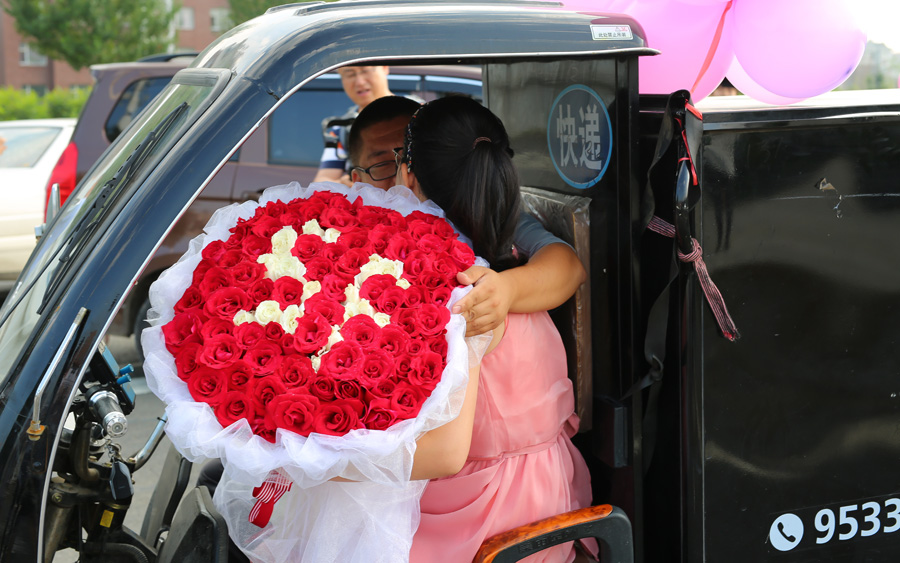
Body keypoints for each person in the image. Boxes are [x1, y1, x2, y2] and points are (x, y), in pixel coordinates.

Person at [395, 95, 593, 562]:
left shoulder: (450, 288)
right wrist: (507, 288)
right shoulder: (510, 252)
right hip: (547, 499)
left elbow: (445, 455)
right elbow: (567, 264)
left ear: (408, 175)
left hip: (479, 519)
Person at [347, 95, 586, 336]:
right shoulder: (346, 243)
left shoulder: (486, 218)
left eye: (407, 158)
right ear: (357, 182)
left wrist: (507, 288)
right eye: (383, 165)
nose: (397, 177)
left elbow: (568, 266)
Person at [312, 65, 394, 185]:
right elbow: (321, 182)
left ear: (385, 68)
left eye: (365, 71)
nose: (360, 82)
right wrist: (344, 184)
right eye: (350, 74)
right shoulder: (341, 128)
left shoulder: (418, 114)